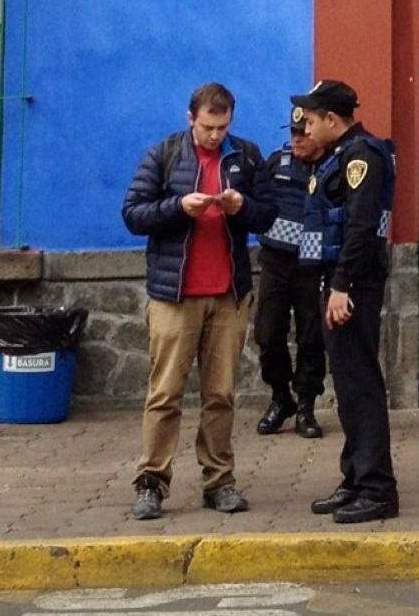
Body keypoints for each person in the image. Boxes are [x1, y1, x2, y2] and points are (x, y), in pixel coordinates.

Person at [119, 82, 275, 520]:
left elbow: (268, 213)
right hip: (174, 296)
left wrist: (240, 205)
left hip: (228, 295)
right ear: (191, 118)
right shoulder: (163, 154)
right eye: (208, 126)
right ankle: (151, 481)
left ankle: (219, 481)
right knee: (165, 394)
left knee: (221, 394)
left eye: (222, 127)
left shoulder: (244, 155)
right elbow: (133, 214)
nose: (215, 135)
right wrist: (176, 207)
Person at [295, 78, 400, 524]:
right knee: (348, 386)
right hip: (337, 280)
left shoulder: (362, 158)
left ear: (332, 120)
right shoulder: (341, 155)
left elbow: (359, 227)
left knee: (360, 384)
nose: (305, 128)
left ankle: (377, 488)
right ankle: (355, 477)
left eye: (312, 120)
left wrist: (341, 286)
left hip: (352, 284)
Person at [249, 106, 327, 440]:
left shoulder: (331, 167)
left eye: (302, 132)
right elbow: (257, 201)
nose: (295, 139)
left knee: (312, 336)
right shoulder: (275, 162)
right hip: (276, 262)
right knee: (267, 334)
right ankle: (281, 398)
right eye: (292, 132)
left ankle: (306, 405)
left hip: (313, 266)